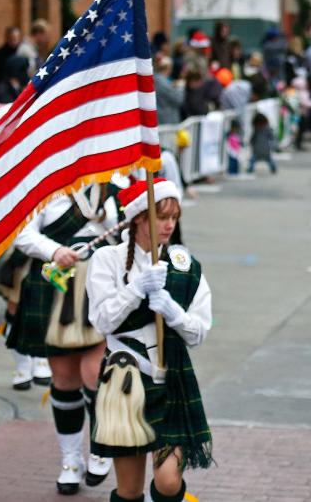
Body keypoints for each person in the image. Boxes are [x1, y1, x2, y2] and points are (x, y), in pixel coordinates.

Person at [87, 179, 214, 502]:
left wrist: (173, 313)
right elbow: (101, 321)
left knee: (169, 482)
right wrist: (136, 289)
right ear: (139, 217)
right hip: (125, 377)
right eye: (161, 216)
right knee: (129, 490)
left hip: (170, 378)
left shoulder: (186, 268)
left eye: (174, 217)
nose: (169, 225)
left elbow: (198, 333)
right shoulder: (107, 259)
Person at [8, 182, 121, 493]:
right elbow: (22, 233)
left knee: (95, 374)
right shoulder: (45, 187)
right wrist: (55, 250)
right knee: (64, 378)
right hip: (56, 286)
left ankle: (101, 444)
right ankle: (70, 459)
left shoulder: (115, 185)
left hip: (100, 286)